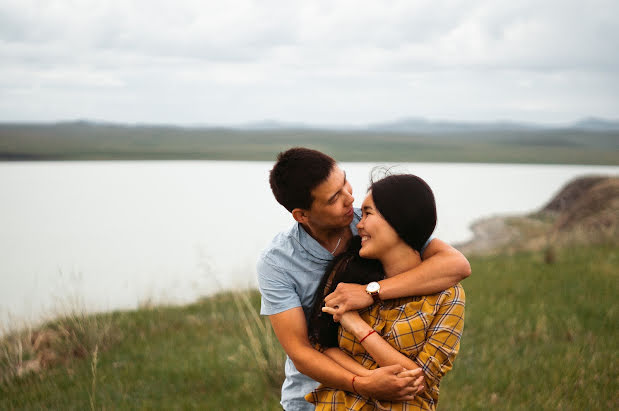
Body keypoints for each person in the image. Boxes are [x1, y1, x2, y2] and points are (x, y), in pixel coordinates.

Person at [257, 147, 471, 411]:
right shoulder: (277, 262)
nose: (349, 198)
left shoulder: (374, 220)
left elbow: (456, 264)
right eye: (334, 197)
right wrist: (363, 382)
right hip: (313, 399)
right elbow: (302, 351)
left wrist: (372, 291)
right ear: (302, 215)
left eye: (344, 181)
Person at [305, 173, 465, 410]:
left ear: (398, 219)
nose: (358, 224)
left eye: (368, 213)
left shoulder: (448, 296)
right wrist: (368, 381)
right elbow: (322, 346)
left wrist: (357, 326)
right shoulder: (348, 274)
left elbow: (419, 380)